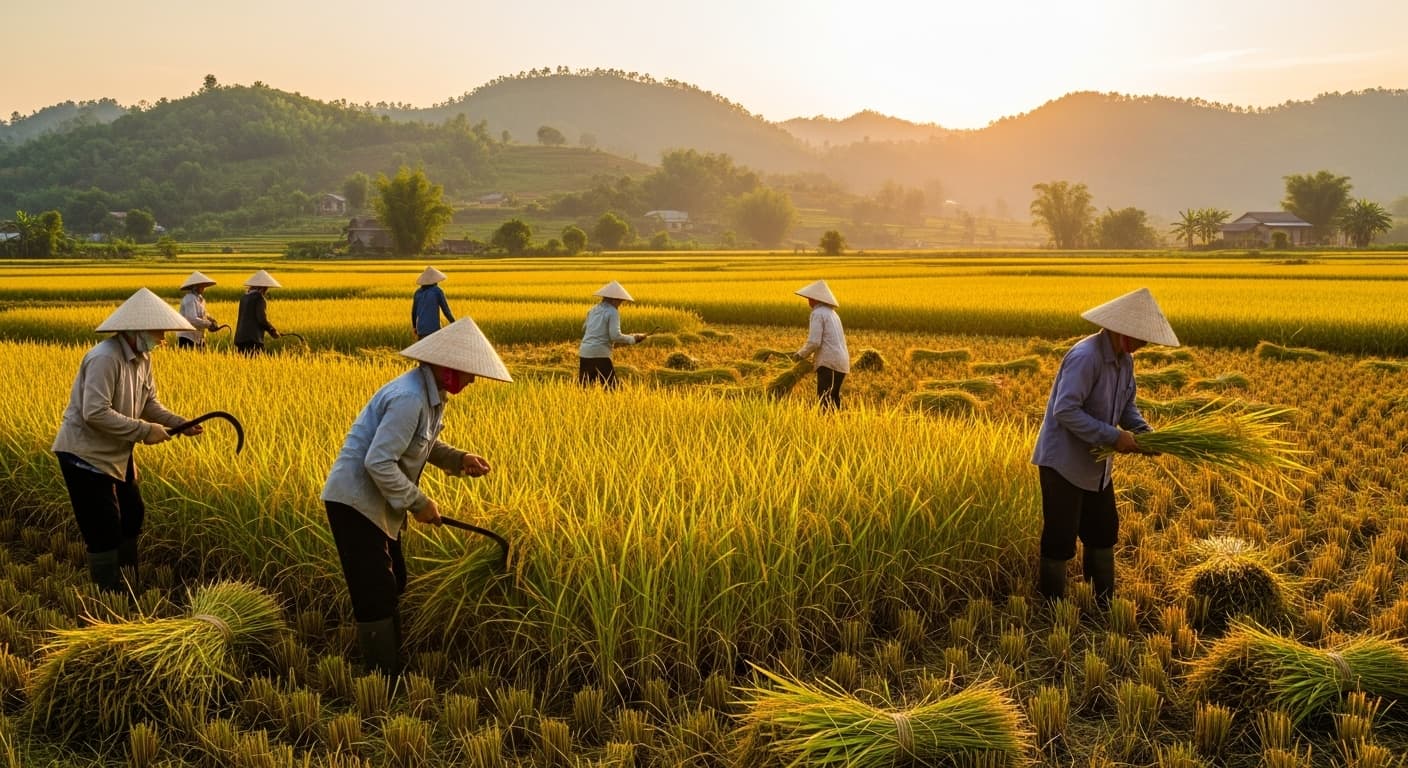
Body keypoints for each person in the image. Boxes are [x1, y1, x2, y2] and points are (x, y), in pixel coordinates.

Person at [321, 317, 512, 676]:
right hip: (355, 501)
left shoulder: (430, 396)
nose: (472, 380)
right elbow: (378, 461)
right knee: (375, 589)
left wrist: (458, 458)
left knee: (395, 581)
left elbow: (421, 443)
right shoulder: (409, 398)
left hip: (377, 502)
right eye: (469, 373)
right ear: (448, 368)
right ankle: (382, 676)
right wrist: (419, 503)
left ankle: (389, 659)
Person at [1030, 288, 1179, 605]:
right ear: (1122, 331)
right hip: (1064, 463)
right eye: (1141, 337)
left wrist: (1144, 434)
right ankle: (1051, 607)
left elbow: (1127, 408)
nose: (1145, 344)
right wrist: (1114, 437)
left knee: (1103, 531)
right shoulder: (1086, 358)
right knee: (1060, 537)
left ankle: (1102, 601)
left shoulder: (1125, 362)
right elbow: (1065, 410)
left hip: (1097, 466)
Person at [51, 288, 204, 591]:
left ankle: (128, 578)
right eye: (159, 330)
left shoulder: (143, 358)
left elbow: (149, 403)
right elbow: (95, 412)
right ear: (137, 328)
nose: (163, 337)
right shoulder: (104, 358)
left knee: (133, 513)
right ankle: (109, 591)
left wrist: (179, 423)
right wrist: (146, 431)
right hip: (85, 454)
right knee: (104, 526)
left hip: (117, 452)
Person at [791, 280, 850, 410]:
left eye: (809, 298)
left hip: (829, 363)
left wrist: (799, 355)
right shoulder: (833, 314)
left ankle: (827, 426)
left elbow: (814, 342)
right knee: (833, 399)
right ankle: (836, 425)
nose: (808, 301)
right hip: (841, 362)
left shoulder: (817, 314)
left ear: (815, 299)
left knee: (824, 400)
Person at [578, 281, 646, 389]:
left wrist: (630, 337)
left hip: (585, 352)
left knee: (584, 388)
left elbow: (589, 330)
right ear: (614, 299)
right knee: (613, 389)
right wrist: (633, 339)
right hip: (600, 353)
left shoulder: (592, 310)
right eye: (620, 301)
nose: (620, 304)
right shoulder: (612, 312)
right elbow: (615, 336)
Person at [234, 269, 281, 355]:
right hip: (253, 339)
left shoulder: (244, 297)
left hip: (240, 338)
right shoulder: (259, 298)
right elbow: (262, 319)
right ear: (263, 287)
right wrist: (272, 330)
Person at [175, 271, 220, 349]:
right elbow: (192, 319)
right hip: (188, 337)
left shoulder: (200, 299)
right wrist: (209, 324)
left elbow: (204, 314)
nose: (204, 288)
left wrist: (211, 319)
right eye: (202, 286)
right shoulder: (190, 299)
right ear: (195, 287)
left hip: (198, 336)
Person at [411, 266, 456, 340]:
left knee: (423, 350)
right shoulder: (437, 291)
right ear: (435, 280)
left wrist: (414, 327)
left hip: (421, 329)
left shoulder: (417, 293)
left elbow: (413, 312)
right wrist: (454, 323)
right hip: (433, 329)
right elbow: (446, 311)